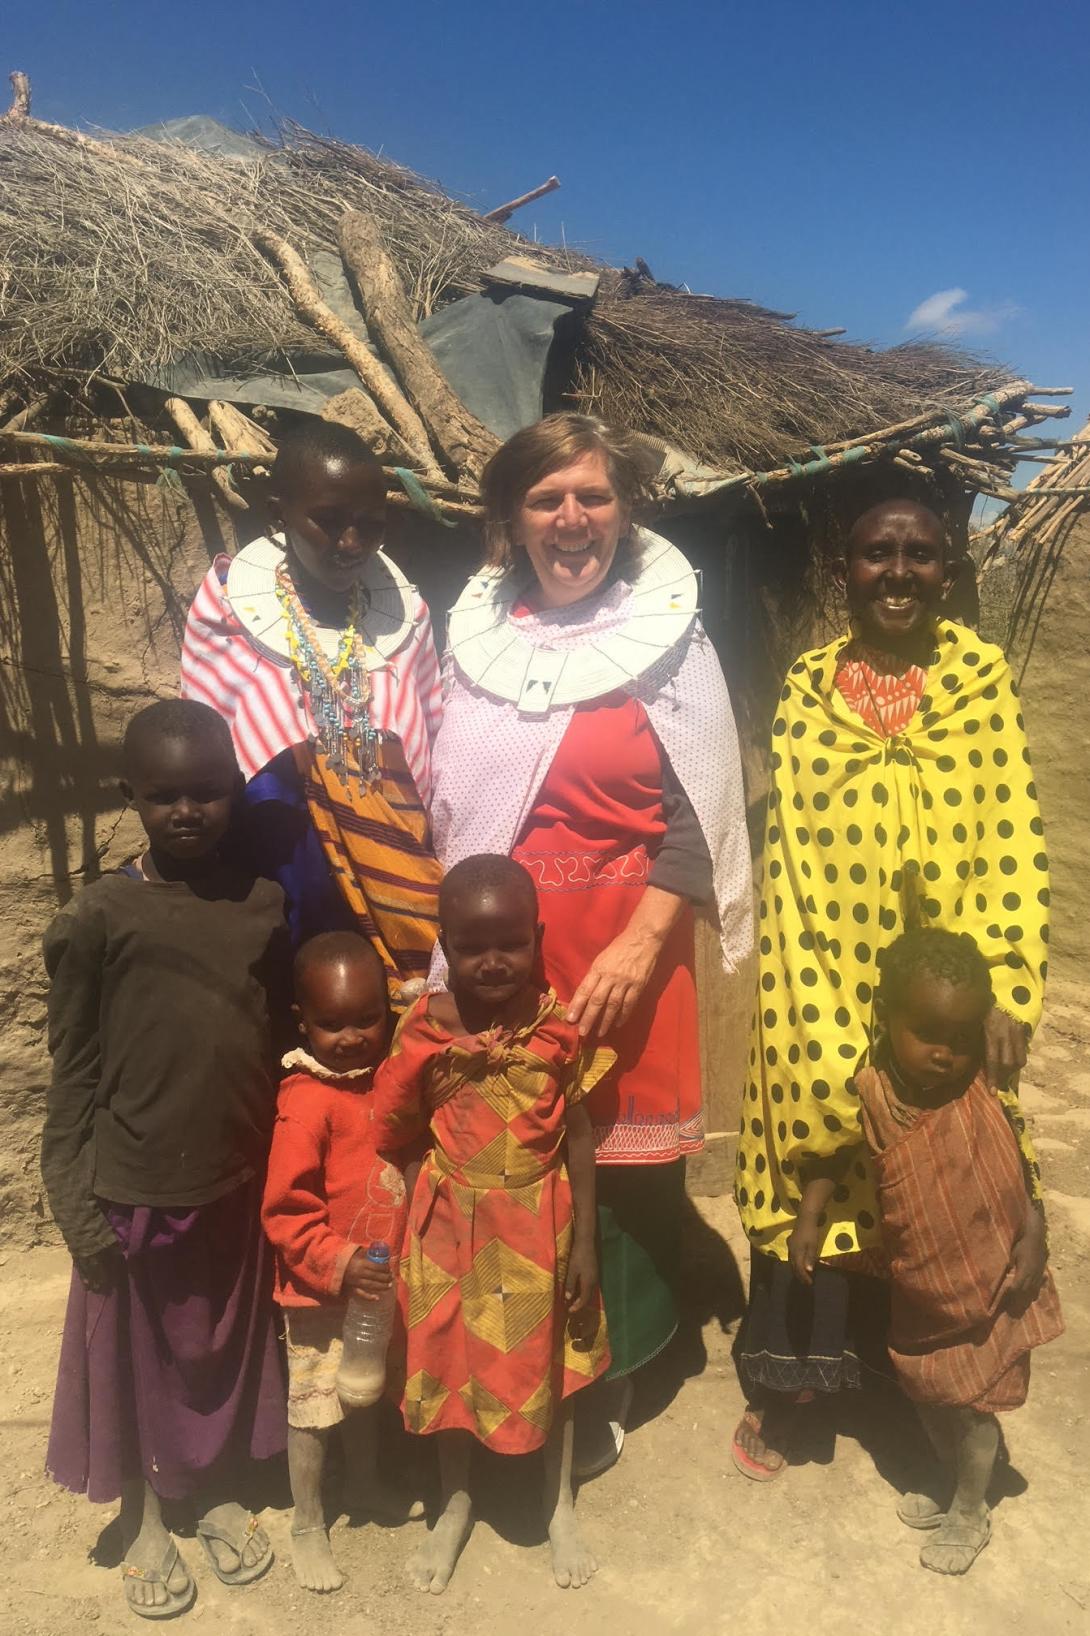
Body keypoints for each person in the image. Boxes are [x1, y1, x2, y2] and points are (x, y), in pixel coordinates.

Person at [428, 413, 753, 1474]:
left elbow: (701, 813)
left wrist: (643, 939)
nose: (573, 518)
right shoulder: (475, 644)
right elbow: (456, 805)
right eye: (546, 499)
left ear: (624, 512)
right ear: (511, 522)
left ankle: (610, 1363)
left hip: (632, 949)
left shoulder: (669, 638)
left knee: (620, 1174)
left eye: (593, 496)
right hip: (510, 958)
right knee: (519, 1163)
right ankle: (519, 1366)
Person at [732, 497, 1050, 1479]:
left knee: (942, 1171)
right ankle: (796, 1391)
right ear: (846, 569)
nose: (898, 570)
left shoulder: (977, 684)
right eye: (878, 552)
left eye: (919, 553)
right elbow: (787, 858)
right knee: (817, 1160)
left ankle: (933, 1393)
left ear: (947, 569)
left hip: (941, 998)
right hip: (820, 976)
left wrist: (1004, 989)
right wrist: (802, 1002)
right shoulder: (808, 688)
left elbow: (1008, 838)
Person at [41, 700, 289, 1620]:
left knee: (217, 1349)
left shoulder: (262, 904)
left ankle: (214, 1485)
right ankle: (145, 1511)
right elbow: (75, 1067)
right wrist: (68, 1191)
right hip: (133, 1184)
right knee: (136, 1359)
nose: (188, 811)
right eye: (165, 795)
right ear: (131, 797)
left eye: (208, 792)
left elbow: (272, 1036)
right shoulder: (101, 916)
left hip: (234, 1175)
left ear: (234, 791)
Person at [371, 855, 615, 1594]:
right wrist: (425, 1208)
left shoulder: (558, 1029)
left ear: (537, 936)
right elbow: (394, 1123)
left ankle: (558, 1502)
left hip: (543, 1223)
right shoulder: (424, 1030)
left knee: (552, 1366)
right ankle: (456, 1501)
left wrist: (587, 1248)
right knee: (451, 1366)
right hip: (452, 1231)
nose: (492, 962)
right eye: (471, 947)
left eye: (510, 942)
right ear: (444, 943)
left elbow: (577, 1136)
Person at [789, 927, 1062, 1574]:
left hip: (995, 1281)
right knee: (927, 1392)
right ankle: (954, 1483)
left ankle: (971, 1509)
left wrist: (1036, 1229)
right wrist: (809, 1216)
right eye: (929, 1035)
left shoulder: (985, 1087)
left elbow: (1020, 1161)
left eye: (963, 1039)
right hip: (925, 1286)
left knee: (974, 1408)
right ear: (887, 1018)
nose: (947, 1054)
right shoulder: (874, 1094)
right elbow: (832, 1154)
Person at [181, 418, 443, 998]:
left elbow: (431, 750)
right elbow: (211, 754)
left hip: (396, 889)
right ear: (279, 513)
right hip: (274, 884)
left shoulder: (410, 622)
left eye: (370, 526)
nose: (350, 544)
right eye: (328, 521)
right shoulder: (226, 621)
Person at [262, 930, 424, 1595]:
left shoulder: (386, 1080)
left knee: (366, 1393)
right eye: (332, 1024)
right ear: (303, 1021)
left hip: (381, 1288)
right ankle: (307, 1522)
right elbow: (285, 1211)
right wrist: (338, 1261)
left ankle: (366, 1483)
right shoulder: (305, 1102)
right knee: (316, 1407)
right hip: (320, 1293)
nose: (353, 1036)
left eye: (368, 1019)